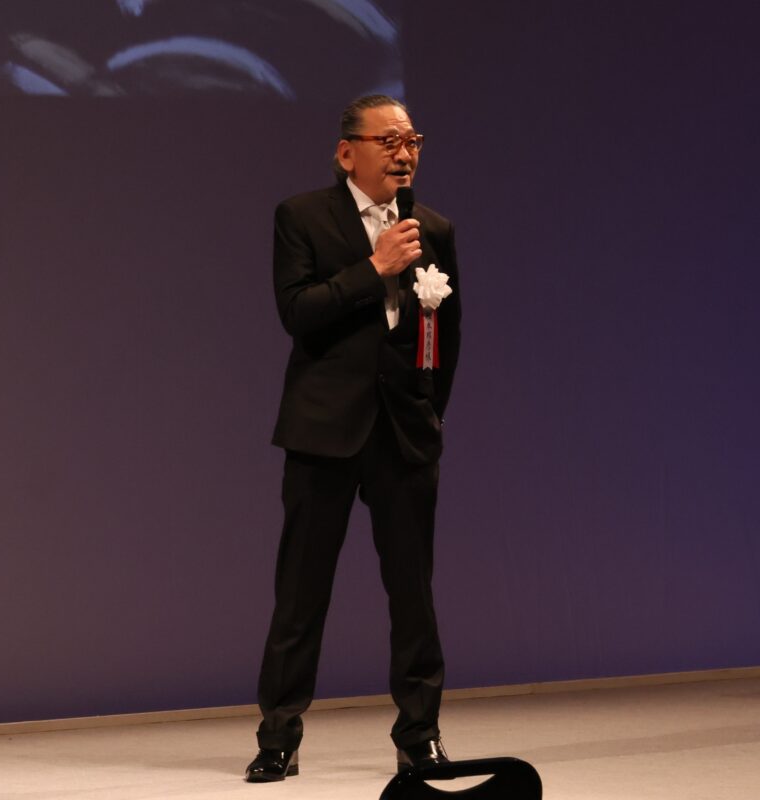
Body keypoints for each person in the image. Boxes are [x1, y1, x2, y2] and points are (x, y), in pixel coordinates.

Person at [246, 95, 462, 782]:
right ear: (348, 152)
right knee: (301, 592)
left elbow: (449, 337)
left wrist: (430, 413)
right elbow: (297, 312)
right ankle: (278, 737)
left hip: (404, 434)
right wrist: (374, 268)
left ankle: (420, 734)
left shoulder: (434, 227)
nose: (405, 153)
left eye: (413, 140)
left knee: (414, 593)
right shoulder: (302, 216)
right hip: (324, 430)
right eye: (388, 141)